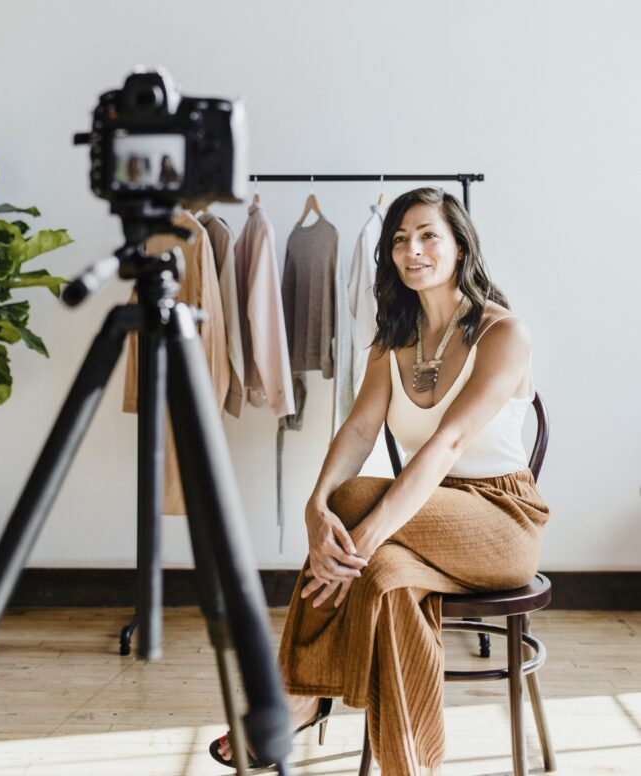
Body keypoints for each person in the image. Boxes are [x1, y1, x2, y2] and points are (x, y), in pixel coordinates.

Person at [210, 187, 550, 774]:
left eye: (427, 235)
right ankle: (408, 764)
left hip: (500, 521)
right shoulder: (393, 338)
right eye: (399, 239)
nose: (410, 249)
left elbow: (448, 443)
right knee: (386, 579)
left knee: (360, 512)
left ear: (461, 247)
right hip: (425, 516)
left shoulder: (503, 333)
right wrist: (316, 506)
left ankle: (298, 693)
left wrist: (359, 540)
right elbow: (360, 429)